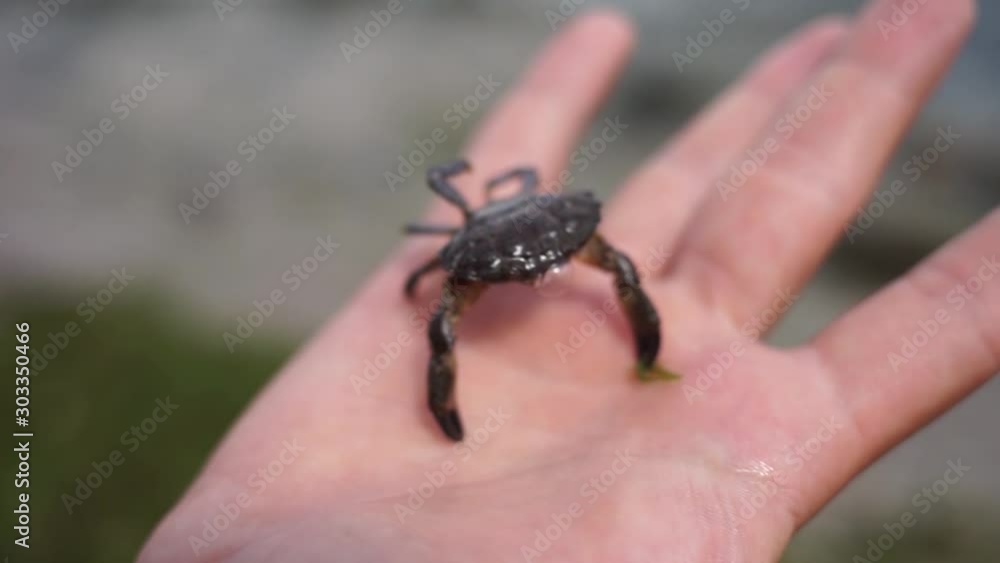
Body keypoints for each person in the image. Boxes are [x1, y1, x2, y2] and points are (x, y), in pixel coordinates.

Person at [139, 1, 995, 561]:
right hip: (492, 230)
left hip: (531, 215)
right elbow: (438, 308)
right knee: (444, 323)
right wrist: (431, 304)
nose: (537, 277)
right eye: (517, 271)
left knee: (617, 271)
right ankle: (458, 411)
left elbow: (591, 258)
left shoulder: (557, 225)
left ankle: (642, 350)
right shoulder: (460, 260)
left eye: (548, 261)